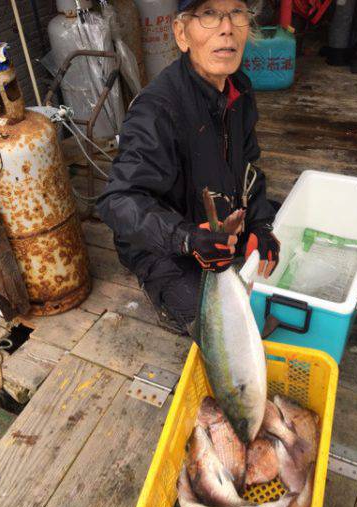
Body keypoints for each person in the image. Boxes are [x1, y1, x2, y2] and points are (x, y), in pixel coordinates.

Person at [97, 0, 280, 333]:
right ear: (182, 34)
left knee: (282, 243)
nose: (226, 27)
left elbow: (249, 167)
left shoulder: (239, 88)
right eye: (209, 14)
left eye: (237, 12)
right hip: (164, 243)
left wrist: (260, 224)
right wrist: (187, 238)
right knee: (230, 328)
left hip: (219, 217)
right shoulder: (156, 109)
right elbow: (118, 201)